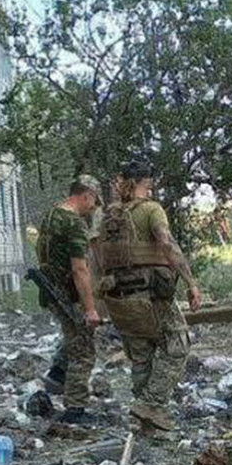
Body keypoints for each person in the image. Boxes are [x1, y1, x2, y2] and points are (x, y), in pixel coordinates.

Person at [93, 158, 202, 433]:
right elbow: (166, 243)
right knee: (178, 344)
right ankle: (152, 404)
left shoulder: (108, 218)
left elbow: (97, 258)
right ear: (147, 182)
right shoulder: (151, 210)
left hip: (119, 298)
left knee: (141, 356)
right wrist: (191, 282)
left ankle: (145, 425)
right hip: (151, 297)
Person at [35, 175, 104, 425]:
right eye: (93, 202)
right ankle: (75, 408)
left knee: (72, 336)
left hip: (50, 291)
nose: (92, 208)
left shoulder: (51, 215)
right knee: (84, 347)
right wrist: (90, 309)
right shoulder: (74, 223)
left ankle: (57, 374)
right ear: (86, 195)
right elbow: (79, 269)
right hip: (66, 294)